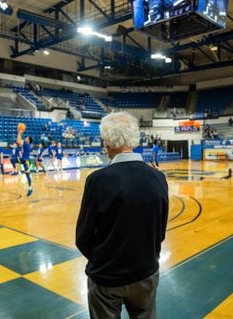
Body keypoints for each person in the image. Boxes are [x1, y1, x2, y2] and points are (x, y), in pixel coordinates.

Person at [76, 112, 169, 319]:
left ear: (107, 143)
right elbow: (160, 232)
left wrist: (106, 260)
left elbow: (83, 238)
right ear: (134, 139)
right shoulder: (158, 178)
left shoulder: (97, 181)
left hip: (106, 278)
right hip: (146, 272)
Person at [16, 127, 33, 197]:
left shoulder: (26, 144)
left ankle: (30, 189)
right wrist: (19, 133)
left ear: (28, 140)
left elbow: (18, 141)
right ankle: (17, 171)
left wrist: (19, 133)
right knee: (13, 160)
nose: (25, 137)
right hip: (24, 160)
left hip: (26, 161)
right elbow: (19, 141)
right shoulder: (26, 144)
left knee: (27, 175)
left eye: (26, 137)